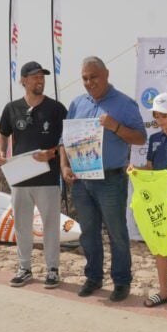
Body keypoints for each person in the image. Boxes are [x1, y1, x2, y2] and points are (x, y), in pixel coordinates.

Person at [59, 56, 146, 302]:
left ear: (106, 74)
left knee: (117, 233)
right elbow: (64, 140)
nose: (89, 82)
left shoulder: (124, 104)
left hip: (110, 180)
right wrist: (65, 167)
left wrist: (116, 127)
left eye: (94, 77)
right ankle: (93, 278)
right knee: (88, 233)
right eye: (85, 78)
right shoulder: (76, 104)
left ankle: (121, 281)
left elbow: (140, 138)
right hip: (81, 181)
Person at [0, 61, 68, 288]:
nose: (40, 80)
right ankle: (24, 267)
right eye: (35, 77)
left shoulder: (56, 108)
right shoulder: (11, 108)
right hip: (20, 178)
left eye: (42, 77)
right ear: (24, 80)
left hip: (48, 178)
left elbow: (67, 140)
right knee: (22, 225)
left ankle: (53, 270)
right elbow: (2, 132)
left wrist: (52, 153)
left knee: (50, 225)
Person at [129, 93, 167, 312]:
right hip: (156, 202)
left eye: (164, 115)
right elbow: (150, 167)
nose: (159, 120)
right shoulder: (154, 139)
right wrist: (136, 170)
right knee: (158, 244)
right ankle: (163, 291)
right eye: (156, 115)